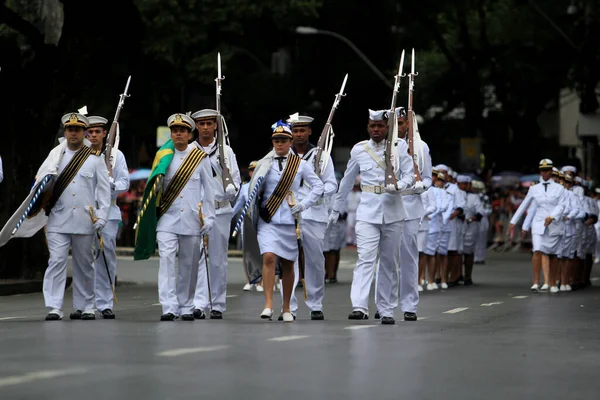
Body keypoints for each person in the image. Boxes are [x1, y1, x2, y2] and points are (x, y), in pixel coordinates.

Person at [330, 109, 414, 325]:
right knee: (365, 258)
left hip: (393, 211)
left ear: (387, 127)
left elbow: (410, 176)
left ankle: (386, 309)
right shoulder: (359, 150)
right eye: (372, 126)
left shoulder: (399, 147)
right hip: (367, 212)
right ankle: (359, 306)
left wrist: (399, 186)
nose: (376, 130)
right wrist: (336, 209)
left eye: (380, 126)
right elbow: (347, 181)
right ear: (368, 128)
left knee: (388, 261)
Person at [247, 120, 323, 322]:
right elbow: (254, 190)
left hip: (290, 221)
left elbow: (318, 187)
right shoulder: (264, 163)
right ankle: (268, 304)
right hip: (268, 219)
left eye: (283, 140)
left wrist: (303, 204)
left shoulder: (301, 165)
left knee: (289, 263)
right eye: (276, 140)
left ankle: (287, 307)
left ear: (290, 142)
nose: (279, 144)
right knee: (269, 257)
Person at [43, 113, 111, 320]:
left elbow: (103, 191)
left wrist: (102, 216)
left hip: (85, 219)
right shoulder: (55, 156)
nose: (74, 133)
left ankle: (86, 306)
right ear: (65, 132)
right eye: (70, 129)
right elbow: (40, 184)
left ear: (84, 133)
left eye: (78, 130)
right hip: (58, 218)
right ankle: (54, 306)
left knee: (85, 264)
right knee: (56, 261)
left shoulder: (95, 160)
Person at [155, 113, 215, 321]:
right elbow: (154, 189)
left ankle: (186, 305)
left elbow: (209, 191)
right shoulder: (163, 156)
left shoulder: (199, 158)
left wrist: (209, 218)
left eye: (182, 131)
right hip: (167, 219)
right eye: (174, 130)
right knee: (167, 261)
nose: (178, 134)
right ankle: (169, 306)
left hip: (192, 218)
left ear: (189, 135)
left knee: (189, 264)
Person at [278, 113, 337, 320]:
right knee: (288, 259)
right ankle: (289, 307)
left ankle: (315, 304)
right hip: (288, 213)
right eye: (295, 130)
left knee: (314, 260)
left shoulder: (321, 155)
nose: (299, 134)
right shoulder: (283, 155)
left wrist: (315, 193)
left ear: (310, 131)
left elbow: (331, 184)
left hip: (314, 213)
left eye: (303, 130)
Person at [191, 109, 241, 319]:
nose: (204, 128)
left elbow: (236, 181)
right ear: (195, 126)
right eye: (200, 124)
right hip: (197, 212)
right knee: (197, 257)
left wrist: (232, 189)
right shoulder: (190, 151)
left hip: (220, 209)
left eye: (208, 123)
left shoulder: (225, 151)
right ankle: (198, 303)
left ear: (215, 126)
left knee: (218, 259)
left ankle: (218, 304)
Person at [86, 115, 130, 319]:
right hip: (84, 212)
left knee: (106, 256)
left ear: (105, 133)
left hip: (108, 212)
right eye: (90, 132)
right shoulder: (80, 155)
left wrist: (111, 183)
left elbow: (125, 183)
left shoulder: (116, 156)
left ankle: (105, 303)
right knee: (84, 257)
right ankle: (85, 302)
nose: (94, 135)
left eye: (97, 132)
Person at [391, 107, 430, 321]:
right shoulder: (383, 147)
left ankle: (409, 305)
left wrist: (418, 187)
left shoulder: (420, 147)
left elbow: (428, 179)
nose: (399, 127)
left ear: (408, 124)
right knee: (386, 257)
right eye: (395, 123)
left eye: (402, 122)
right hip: (387, 205)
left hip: (411, 205)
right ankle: (385, 303)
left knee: (408, 257)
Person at [509, 159, 565, 293]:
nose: (544, 173)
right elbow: (525, 205)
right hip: (539, 223)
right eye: (542, 171)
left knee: (552, 254)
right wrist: (514, 222)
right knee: (537, 250)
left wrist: (552, 217)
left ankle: (552, 283)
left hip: (553, 223)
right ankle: (535, 282)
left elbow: (561, 205)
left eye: (547, 170)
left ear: (551, 171)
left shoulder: (559, 188)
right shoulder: (534, 188)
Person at [232, 160, 263, 292]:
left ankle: (260, 282)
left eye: (255, 170)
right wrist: (228, 217)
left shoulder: (264, 185)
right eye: (251, 170)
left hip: (262, 221)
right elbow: (238, 205)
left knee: (261, 251)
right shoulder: (244, 187)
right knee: (248, 251)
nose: (253, 172)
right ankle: (249, 280)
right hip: (248, 221)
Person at [457, 175, 484, 285]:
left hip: (470, 227)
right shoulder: (455, 194)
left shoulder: (474, 197)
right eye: (462, 184)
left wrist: (471, 218)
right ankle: (457, 275)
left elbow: (480, 212)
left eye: (466, 184)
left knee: (468, 252)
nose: (464, 186)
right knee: (456, 252)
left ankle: (468, 276)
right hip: (458, 225)